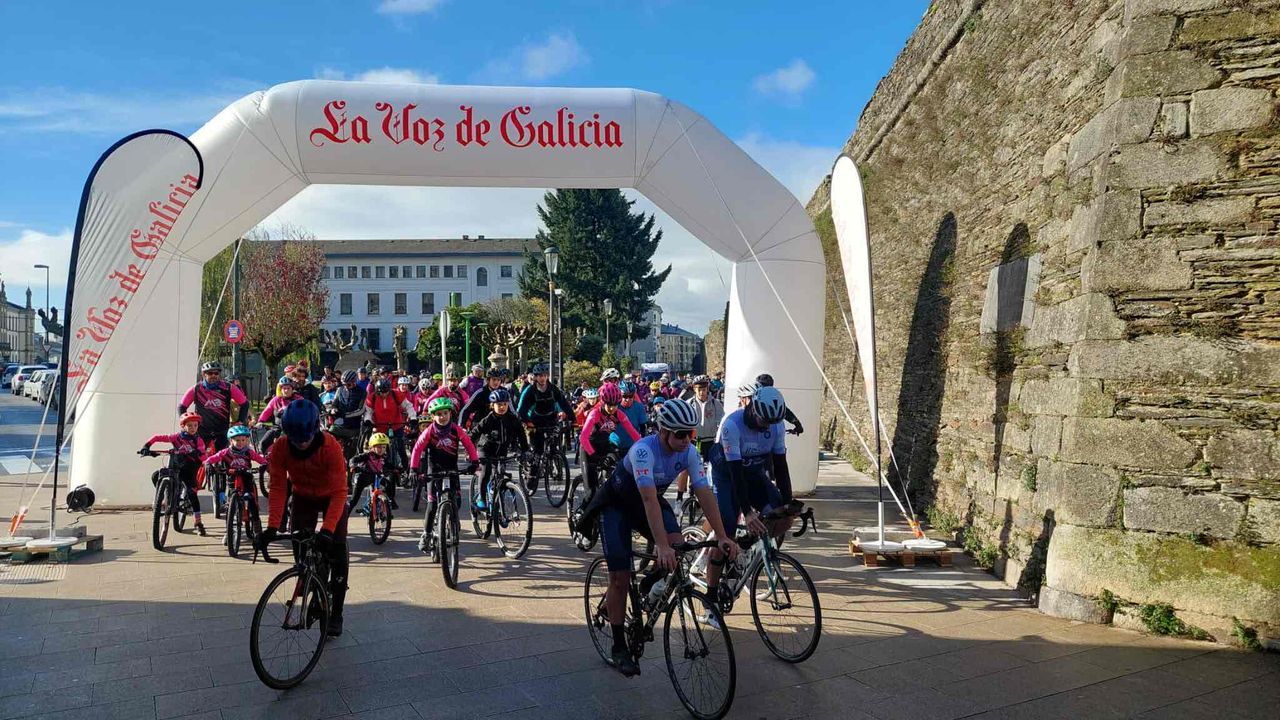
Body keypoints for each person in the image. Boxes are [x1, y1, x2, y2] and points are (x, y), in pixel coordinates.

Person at [588, 399, 737, 676]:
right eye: (680, 434)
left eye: (690, 434)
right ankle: (619, 645)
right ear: (663, 431)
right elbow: (648, 499)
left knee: (678, 545)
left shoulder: (689, 452)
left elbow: (704, 492)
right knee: (620, 578)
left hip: (650, 502)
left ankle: (647, 586)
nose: (686, 440)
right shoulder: (644, 451)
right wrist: (661, 544)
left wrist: (722, 535)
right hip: (618, 507)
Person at [257, 400, 351, 636]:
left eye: (305, 440)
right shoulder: (280, 447)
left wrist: (328, 530)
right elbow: (278, 487)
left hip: (332, 496)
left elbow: (341, 492)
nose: (301, 445)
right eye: (295, 441)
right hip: (302, 496)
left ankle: (336, 611)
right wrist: (272, 527)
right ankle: (315, 585)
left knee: (337, 551)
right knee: (301, 551)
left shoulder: (330, 446)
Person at [704, 385, 794, 609]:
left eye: (771, 423)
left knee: (783, 516)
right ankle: (710, 594)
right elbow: (735, 475)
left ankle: (744, 547)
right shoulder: (732, 425)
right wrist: (747, 512)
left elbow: (781, 467)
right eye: (764, 421)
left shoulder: (776, 425)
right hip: (726, 475)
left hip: (753, 473)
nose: (767, 426)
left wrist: (789, 502)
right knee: (726, 533)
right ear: (753, 408)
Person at [410, 397, 478, 553]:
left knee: (458, 501)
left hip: (452, 470)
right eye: (439, 414)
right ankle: (426, 534)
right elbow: (417, 449)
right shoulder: (430, 431)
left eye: (445, 413)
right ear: (433, 416)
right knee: (432, 505)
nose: (442, 417)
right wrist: (414, 469)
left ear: (450, 414)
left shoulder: (456, 429)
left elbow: (468, 443)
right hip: (433, 471)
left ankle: (453, 519)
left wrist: (474, 461)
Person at [204, 425, 275, 562]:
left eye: (243, 440)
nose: (240, 443)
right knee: (229, 506)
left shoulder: (249, 452)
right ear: (231, 441)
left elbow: (261, 460)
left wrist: (265, 464)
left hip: (247, 479)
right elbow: (212, 459)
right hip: (232, 482)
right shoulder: (225, 452)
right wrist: (208, 463)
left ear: (247, 440)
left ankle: (258, 532)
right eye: (237, 440)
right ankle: (229, 532)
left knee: (252, 503)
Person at [515, 364, 574, 492]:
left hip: (551, 419)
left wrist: (572, 418)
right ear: (535, 377)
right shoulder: (530, 391)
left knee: (554, 446)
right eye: (540, 376)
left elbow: (564, 403)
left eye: (545, 376)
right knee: (537, 451)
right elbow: (522, 409)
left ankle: (553, 458)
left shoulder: (553, 389)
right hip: (535, 422)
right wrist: (527, 422)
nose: (542, 378)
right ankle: (532, 475)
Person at [468, 388, 529, 509]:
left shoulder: (512, 419)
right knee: (486, 471)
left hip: (501, 451)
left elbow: (521, 434)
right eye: (499, 404)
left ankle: (497, 502)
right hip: (485, 450)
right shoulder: (488, 420)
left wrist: (525, 450)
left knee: (500, 475)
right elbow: (473, 434)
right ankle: (482, 497)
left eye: (505, 404)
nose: (502, 407)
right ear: (492, 405)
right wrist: (469, 451)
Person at [579, 383, 640, 494]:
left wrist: (645, 448)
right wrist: (594, 456)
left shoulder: (620, 414)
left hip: (604, 445)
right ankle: (582, 510)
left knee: (619, 468)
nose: (612, 408)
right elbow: (583, 438)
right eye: (609, 405)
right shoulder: (594, 414)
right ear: (603, 402)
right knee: (591, 492)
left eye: (615, 405)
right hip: (588, 449)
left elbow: (634, 434)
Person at [179, 360, 249, 455]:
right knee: (199, 458)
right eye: (210, 373)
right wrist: (185, 423)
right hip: (202, 430)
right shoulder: (196, 389)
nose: (213, 375)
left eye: (216, 373)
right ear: (204, 374)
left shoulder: (228, 387)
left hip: (222, 429)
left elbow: (244, 403)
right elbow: (182, 406)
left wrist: (240, 421)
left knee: (222, 459)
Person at [364, 378, 415, 474]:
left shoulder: (396, 394)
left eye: (386, 392)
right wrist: (368, 420)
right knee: (380, 449)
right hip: (380, 427)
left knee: (401, 447)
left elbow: (408, 406)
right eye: (381, 392)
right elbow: (368, 412)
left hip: (396, 425)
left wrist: (413, 417)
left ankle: (406, 470)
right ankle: (380, 468)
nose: (384, 394)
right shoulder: (372, 397)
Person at [347, 432, 395, 517]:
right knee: (354, 500)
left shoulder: (383, 457)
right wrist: (353, 466)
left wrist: (397, 469)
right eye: (379, 447)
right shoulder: (367, 455)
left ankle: (388, 505)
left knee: (388, 484)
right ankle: (344, 518)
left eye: (384, 447)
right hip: (362, 477)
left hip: (375, 476)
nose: (382, 450)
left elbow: (388, 465)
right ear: (372, 447)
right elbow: (353, 460)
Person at [616, 381, 648, 449]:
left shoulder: (639, 407)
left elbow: (643, 428)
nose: (627, 399)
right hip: (615, 446)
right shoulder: (614, 407)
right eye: (624, 396)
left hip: (632, 445)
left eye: (630, 396)